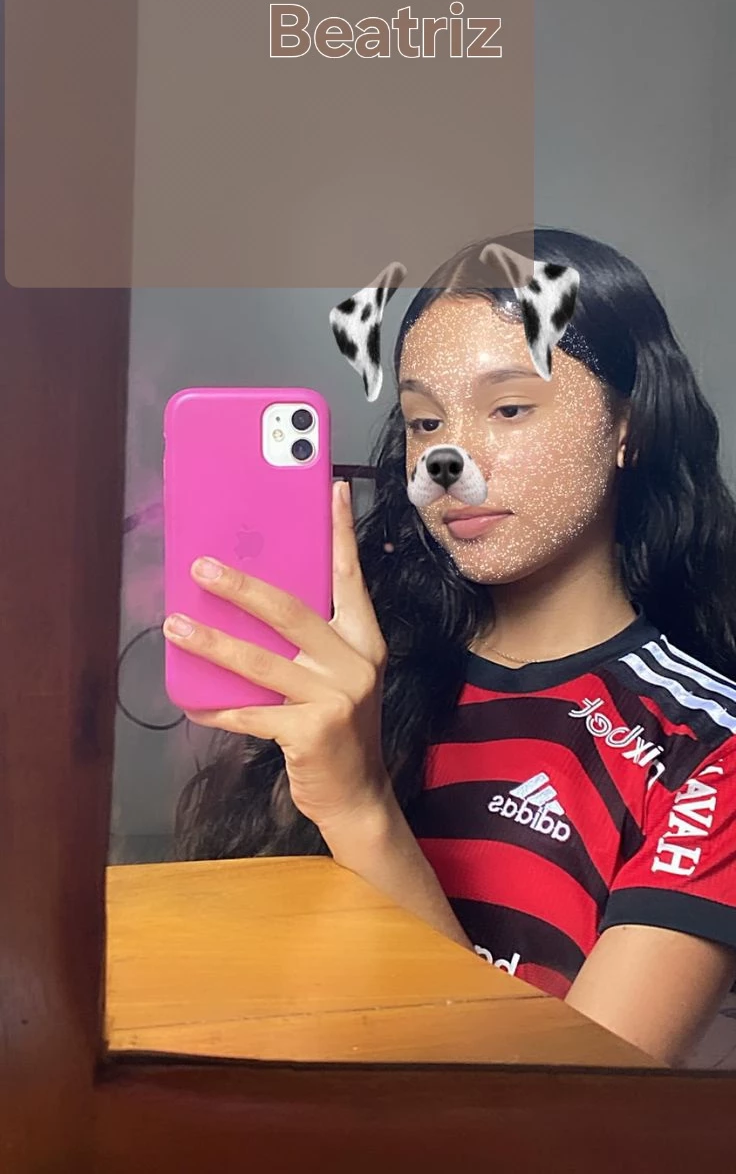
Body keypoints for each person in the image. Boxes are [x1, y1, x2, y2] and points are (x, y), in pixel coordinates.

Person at [167, 228, 736, 1067]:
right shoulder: (361, 676)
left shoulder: (708, 750)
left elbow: (576, 1114)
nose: (448, 457)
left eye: (509, 408)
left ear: (630, 424)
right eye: (425, 420)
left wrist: (361, 807)